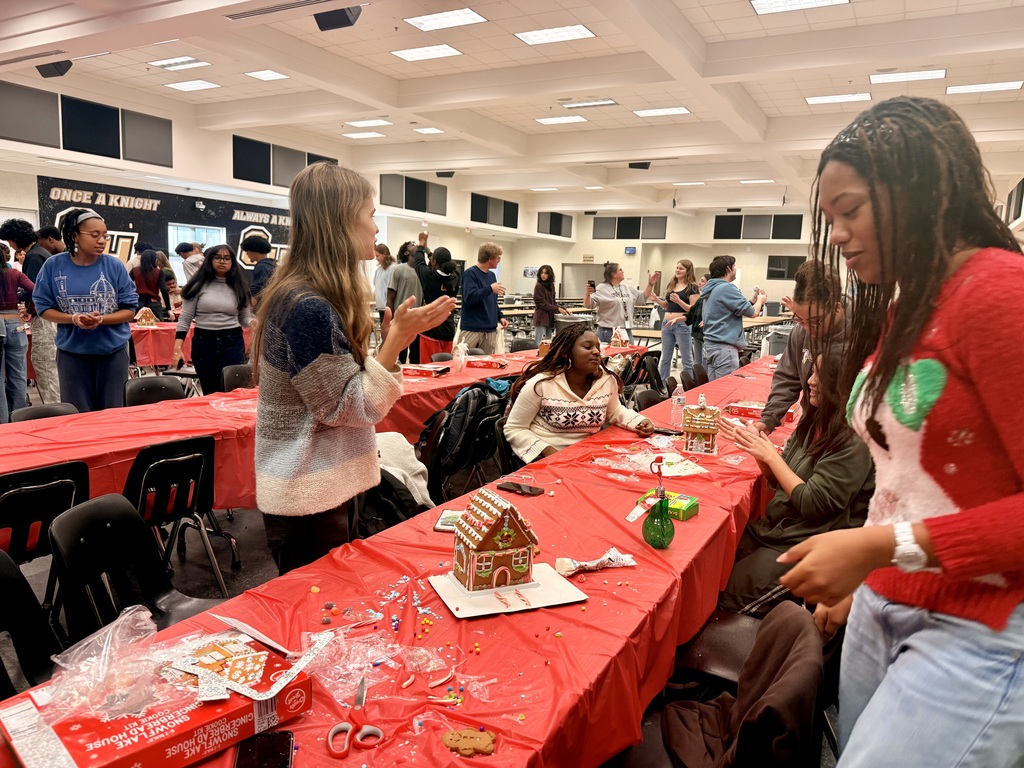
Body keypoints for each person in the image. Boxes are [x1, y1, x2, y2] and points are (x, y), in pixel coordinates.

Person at [776, 97, 1024, 765]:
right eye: (832, 219)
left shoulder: (1000, 293)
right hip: (888, 599)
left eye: (851, 211)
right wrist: (874, 570)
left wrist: (878, 548)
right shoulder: (906, 306)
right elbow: (906, 482)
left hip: (983, 623)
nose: (842, 237)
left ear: (915, 189)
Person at [250, 162, 455, 575]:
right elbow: (349, 408)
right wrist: (397, 340)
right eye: (371, 215)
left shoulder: (314, 298)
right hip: (309, 498)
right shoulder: (306, 306)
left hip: (324, 489)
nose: (376, 229)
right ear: (342, 220)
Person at [718, 352, 874, 617]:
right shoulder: (814, 421)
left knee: (730, 596)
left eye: (820, 375)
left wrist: (770, 457)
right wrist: (762, 456)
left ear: (843, 383)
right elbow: (782, 482)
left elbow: (814, 503)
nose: (811, 380)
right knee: (718, 563)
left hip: (807, 542)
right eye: (812, 371)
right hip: (780, 529)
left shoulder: (852, 439)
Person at [30, 208, 138, 412]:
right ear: (74, 236)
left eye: (105, 236)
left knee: (113, 412)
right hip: (72, 353)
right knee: (77, 413)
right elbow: (43, 307)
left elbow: (130, 309)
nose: (102, 241)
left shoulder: (114, 266)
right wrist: (73, 318)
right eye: (95, 235)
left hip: (113, 351)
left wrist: (101, 320)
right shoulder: (54, 266)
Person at [504, 323, 654, 464]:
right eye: (588, 347)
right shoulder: (541, 385)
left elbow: (615, 411)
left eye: (597, 348)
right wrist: (549, 452)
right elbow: (515, 428)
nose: (596, 352)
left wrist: (639, 422)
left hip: (586, 454)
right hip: (544, 457)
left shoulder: (606, 380)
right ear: (567, 353)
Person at [750, 260, 847, 435]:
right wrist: (768, 419)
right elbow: (788, 378)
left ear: (837, 308)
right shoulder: (800, 333)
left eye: (815, 321)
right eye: (800, 319)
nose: (808, 329)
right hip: (811, 425)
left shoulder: (862, 334)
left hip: (851, 431)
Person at [173, 245, 252, 395]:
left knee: (233, 390)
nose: (222, 261)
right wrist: (177, 349)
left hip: (232, 342)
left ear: (232, 262)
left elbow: (244, 318)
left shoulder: (239, 287)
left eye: (227, 258)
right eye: (218, 258)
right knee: (210, 391)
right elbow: (185, 318)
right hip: (204, 342)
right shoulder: (197, 286)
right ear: (209, 260)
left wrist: (255, 323)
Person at [0, 218, 60, 403]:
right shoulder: (43, 254)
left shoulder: (33, 257)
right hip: (26, 322)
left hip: (43, 318)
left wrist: (30, 310)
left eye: (10, 240)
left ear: (15, 238)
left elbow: (39, 291)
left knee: (45, 367)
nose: (11, 245)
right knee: (21, 373)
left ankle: (55, 414)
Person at [699, 255, 766, 380]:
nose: (735, 269)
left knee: (714, 390)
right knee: (725, 389)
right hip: (724, 349)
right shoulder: (727, 287)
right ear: (728, 269)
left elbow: (733, 309)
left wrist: (753, 299)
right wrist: (761, 301)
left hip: (710, 346)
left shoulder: (711, 288)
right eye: (734, 266)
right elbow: (752, 313)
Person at [584, 261, 657, 344]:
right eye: (620, 270)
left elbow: (642, 298)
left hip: (626, 330)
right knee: (612, 356)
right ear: (613, 274)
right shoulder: (602, 288)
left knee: (630, 355)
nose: (623, 271)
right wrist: (587, 294)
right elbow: (588, 305)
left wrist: (650, 285)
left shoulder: (626, 288)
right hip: (608, 331)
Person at [651, 259, 699, 382]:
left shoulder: (692, 287)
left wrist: (679, 301)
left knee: (686, 358)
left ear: (688, 271)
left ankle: (689, 383)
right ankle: (662, 384)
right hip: (667, 323)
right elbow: (666, 306)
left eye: (681, 268)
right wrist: (656, 300)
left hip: (682, 324)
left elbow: (693, 310)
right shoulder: (671, 284)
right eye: (677, 267)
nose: (677, 270)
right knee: (665, 357)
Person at [0, 252, 34, 421]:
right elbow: (36, 289)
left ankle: (2, 423)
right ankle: (19, 420)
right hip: (16, 324)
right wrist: (30, 310)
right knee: (19, 376)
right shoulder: (15, 274)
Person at [459, 242, 508, 354]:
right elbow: (469, 297)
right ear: (490, 259)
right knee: (465, 361)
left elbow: (492, 302)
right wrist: (489, 289)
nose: (498, 260)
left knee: (487, 364)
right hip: (472, 328)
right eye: (497, 258)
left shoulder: (492, 276)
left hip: (489, 329)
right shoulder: (470, 274)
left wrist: (500, 317)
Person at [411, 245, 459, 361]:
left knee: (429, 368)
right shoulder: (456, 276)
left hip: (430, 330)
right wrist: (429, 253)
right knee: (445, 369)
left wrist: (422, 245)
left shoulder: (429, 276)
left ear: (434, 262)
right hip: (448, 330)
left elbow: (418, 262)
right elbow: (426, 264)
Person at [386, 241, 423, 363]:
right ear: (406, 253)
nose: (416, 245)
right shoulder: (398, 270)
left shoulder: (422, 270)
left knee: (416, 356)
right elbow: (390, 297)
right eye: (412, 245)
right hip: (401, 318)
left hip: (417, 319)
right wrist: (390, 319)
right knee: (400, 355)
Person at [531, 264, 569, 344]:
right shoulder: (538, 286)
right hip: (541, 318)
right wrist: (558, 309)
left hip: (549, 318)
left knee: (548, 343)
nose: (543, 275)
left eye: (545, 273)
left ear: (549, 275)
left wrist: (563, 309)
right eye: (542, 273)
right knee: (539, 343)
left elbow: (553, 302)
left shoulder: (551, 286)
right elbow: (543, 304)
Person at [130, 249, 171, 320]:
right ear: (155, 260)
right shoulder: (159, 272)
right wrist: (168, 309)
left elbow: (127, 286)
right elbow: (163, 289)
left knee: (138, 327)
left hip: (138, 303)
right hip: (154, 303)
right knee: (157, 327)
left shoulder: (134, 271)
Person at [243, 235, 276, 307]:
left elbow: (257, 292)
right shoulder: (274, 264)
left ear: (253, 250)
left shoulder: (261, 267)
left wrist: (250, 311)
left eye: (247, 251)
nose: (247, 254)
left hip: (263, 308)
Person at [372, 243, 395, 321]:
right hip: (380, 308)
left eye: (377, 256)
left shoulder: (393, 269)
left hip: (388, 308)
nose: (376, 258)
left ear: (384, 254)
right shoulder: (378, 270)